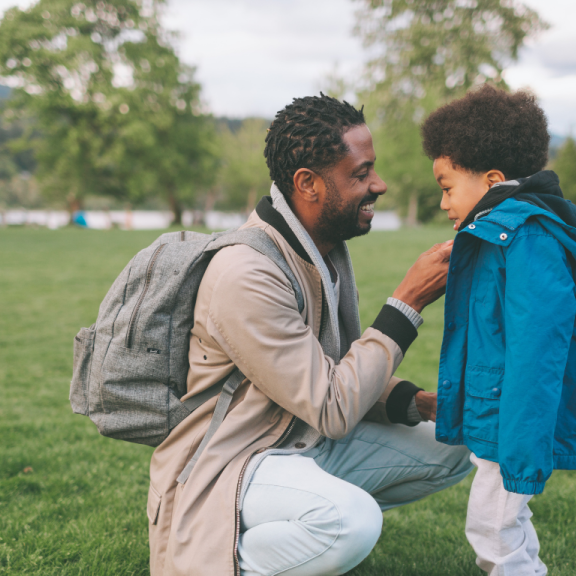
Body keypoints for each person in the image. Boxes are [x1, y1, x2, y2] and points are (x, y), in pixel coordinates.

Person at [148, 94, 472, 576]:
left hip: (300, 440)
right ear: (308, 184)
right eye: (360, 174)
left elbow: (335, 370)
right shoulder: (246, 272)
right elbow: (333, 405)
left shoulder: (320, 249)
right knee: (352, 522)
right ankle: (214, 560)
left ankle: (304, 533)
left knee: (456, 441)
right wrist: (407, 303)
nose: (378, 185)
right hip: (232, 463)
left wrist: (420, 404)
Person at [421, 85, 576, 576]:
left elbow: (538, 349)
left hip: (512, 420)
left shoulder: (525, 237)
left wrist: (523, 446)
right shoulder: (497, 233)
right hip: (496, 412)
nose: (443, 202)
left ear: (491, 179)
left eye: (448, 187)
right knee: (500, 525)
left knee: (493, 526)